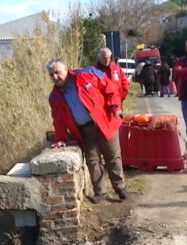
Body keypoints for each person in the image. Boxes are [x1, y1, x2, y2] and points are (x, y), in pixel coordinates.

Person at [47, 59, 127, 203]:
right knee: (93, 160)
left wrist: (115, 106)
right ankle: (100, 192)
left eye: (57, 73)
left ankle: (120, 188)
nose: (55, 77)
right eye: (51, 75)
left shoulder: (87, 73)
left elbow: (110, 88)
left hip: (105, 121)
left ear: (67, 69)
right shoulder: (55, 97)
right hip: (85, 130)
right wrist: (61, 138)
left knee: (113, 156)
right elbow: (58, 120)